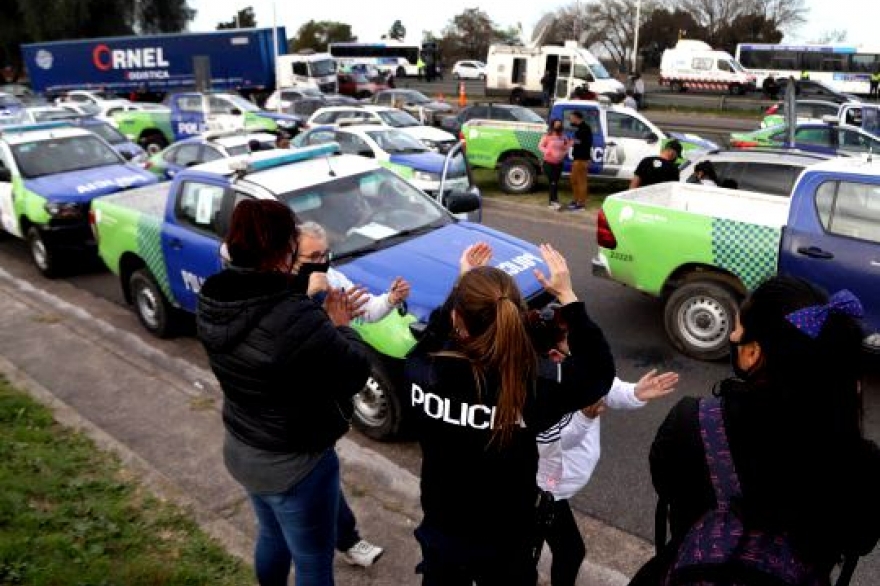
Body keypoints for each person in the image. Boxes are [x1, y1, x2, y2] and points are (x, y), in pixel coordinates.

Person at [629, 276, 880, 585]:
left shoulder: (691, 421)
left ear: (752, 352)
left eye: (736, 328)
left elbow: (667, 487)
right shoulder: (863, 461)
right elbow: (860, 539)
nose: (732, 335)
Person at [407, 242, 616, 586]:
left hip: (443, 534)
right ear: (515, 316)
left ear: (458, 317)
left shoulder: (424, 371)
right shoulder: (533, 384)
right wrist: (567, 294)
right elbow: (597, 373)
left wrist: (462, 287)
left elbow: (431, 338)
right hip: (507, 540)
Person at [196, 199, 372, 586]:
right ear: (283, 249)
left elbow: (268, 308)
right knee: (313, 563)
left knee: (272, 536)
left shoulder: (216, 295)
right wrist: (340, 325)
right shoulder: (293, 315)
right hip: (296, 464)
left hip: (243, 446)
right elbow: (354, 372)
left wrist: (309, 304)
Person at [527, 307, 679, 586]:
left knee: (557, 551)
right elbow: (552, 441)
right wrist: (585, 417)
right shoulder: (539, 391)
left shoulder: (574, 372)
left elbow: (606, 385)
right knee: (564, 552)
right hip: (542, 489)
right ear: (555, 356)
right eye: (572, 341)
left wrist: (635, 392)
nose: (585, 350)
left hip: (557, 488)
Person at [539, 119, 572, 211]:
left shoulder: (563, 137)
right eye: (556, 124)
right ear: (552, 125)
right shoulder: (547, 136)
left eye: (560, 124)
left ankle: (554, 201)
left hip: (559, 163)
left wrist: (567, 148)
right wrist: (547, 151)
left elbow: (566, 147)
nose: (558, 126)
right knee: (553, 181)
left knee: (555, 183)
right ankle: (552, 202)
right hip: (548, 163)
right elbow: (540, 146)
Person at [567, 110, 593, 211]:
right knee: (574, 180)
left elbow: (585, 143)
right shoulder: (579, 128)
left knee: (581, 181)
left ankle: (581, 204)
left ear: (577, 118)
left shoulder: (585, 128)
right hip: (577, 158)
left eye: (571, 118)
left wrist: (572, 141)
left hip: (582, 159)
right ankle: (576, 200)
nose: (570, 120)